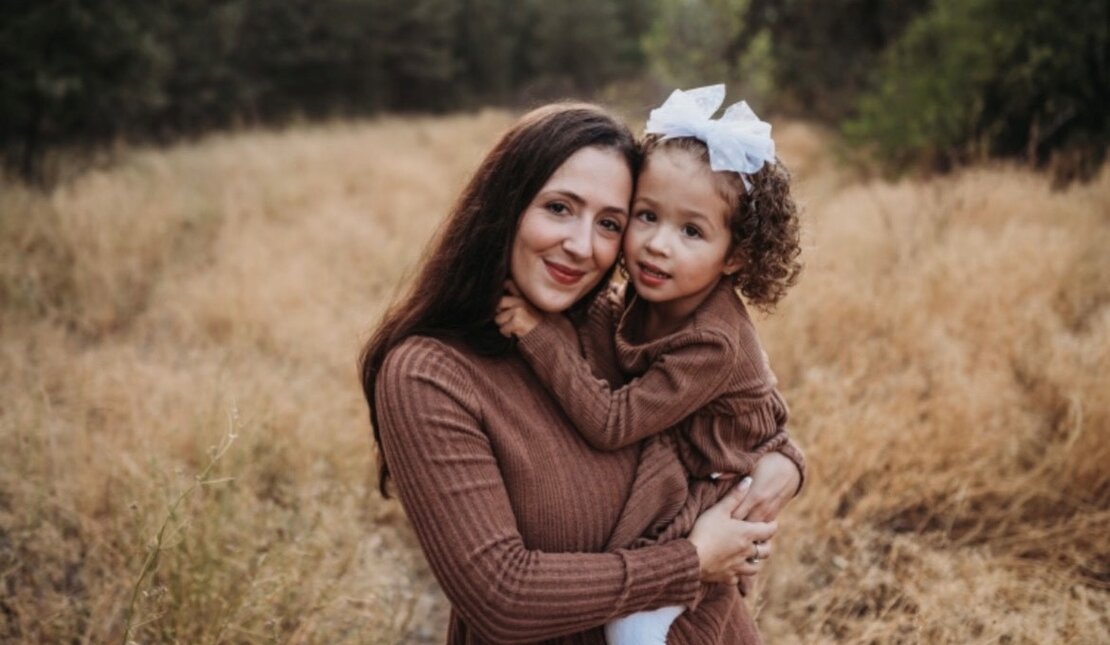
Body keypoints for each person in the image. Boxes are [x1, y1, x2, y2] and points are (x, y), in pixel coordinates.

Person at [360, 101, 802, 644]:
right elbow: (503, 597)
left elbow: (734, 412)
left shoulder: (609, 321)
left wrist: (782, 467)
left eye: (609, 222)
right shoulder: (430, 376)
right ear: (506, 206)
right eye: (559, 208)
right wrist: (691, 560)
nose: (581, 245)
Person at [495, 86, 804, 644]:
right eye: (646, 216)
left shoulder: (712, 340)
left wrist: (538, 334)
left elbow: (614, 423)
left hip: (708, 491)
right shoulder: (652, 294)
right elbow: (608, 332)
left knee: (634, 626)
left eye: (691, 231)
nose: (658, 245)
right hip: (682, 475)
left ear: (733, 257)